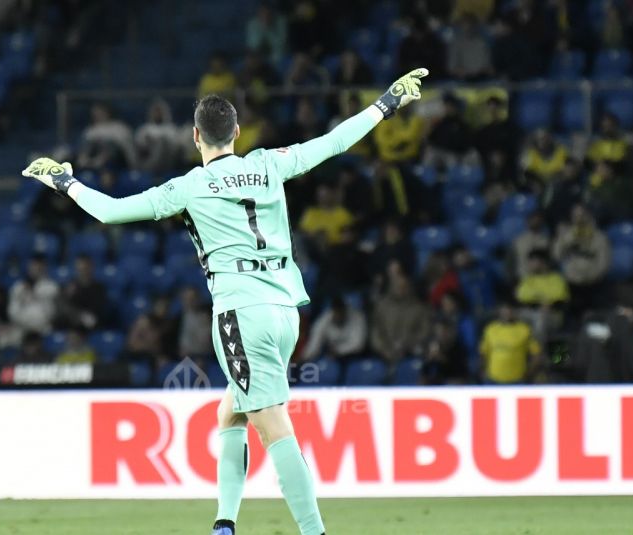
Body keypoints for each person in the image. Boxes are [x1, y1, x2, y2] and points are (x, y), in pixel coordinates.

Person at [22, 66, 429, 535]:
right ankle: (224, 524)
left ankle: (314, 532)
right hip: (285, 311)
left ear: (196, 136)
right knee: (231, 410)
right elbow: (335, 141)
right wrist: (386, 103)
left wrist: (64, 182)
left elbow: (112, 211)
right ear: (236, 132)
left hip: (241, 311)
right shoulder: (269, 163)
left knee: (274, 426)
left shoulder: (190, 186)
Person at [370, 271, 432, 364]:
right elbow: (376, 330)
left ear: (409, 287)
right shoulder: (381, 306)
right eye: (397, 286)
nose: (401, 289)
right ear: (391, 286)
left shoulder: (420, 308)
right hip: (383, 355)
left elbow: (424, 332)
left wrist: (408, 346)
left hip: (410, 354)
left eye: (404, 286)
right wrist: (383, 349)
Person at [479, 301, 542, 384]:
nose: (507, 314)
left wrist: (529, 373)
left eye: (510, 311)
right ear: (499, 312)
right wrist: (482, 371)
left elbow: (536, 354)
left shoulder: (524, 330)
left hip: (517, 380)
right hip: (492, 380)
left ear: (515, 312)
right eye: (504, 311)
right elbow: (483, 353)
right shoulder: (490, 329)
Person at [302, 295, 366, 363]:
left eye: (341, 311)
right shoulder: (324, 319)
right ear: (333, 310)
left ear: (345, 309)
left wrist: (339, 350)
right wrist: (304, 357)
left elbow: (358, 344)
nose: (339, 315)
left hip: (354, 357)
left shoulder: (357, 317)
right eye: (336, 311)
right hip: (333, 357)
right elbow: (314, 343)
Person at [7, 255, 59, 337]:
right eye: (34, 265)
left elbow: (51, 313)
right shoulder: (18, 287)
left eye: (39, 266)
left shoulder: (52, 287)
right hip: (21, 328)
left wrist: (34, 294)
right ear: (29, 267)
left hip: (43, 328)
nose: (36, 268)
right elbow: (12, 312)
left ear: (44, 267)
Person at [178, 286, 213, 358]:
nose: (189, 302)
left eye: (192, 299)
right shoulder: (177, 319)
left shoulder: (207, 316)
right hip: (180, 358)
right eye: (187, 299)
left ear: (199, 299)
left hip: (202, 357)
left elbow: (206, 343)